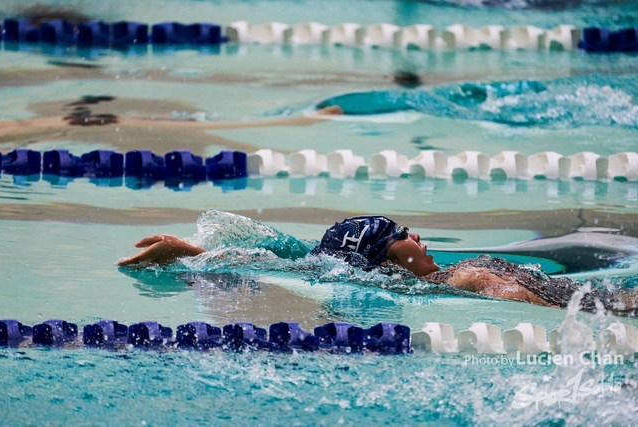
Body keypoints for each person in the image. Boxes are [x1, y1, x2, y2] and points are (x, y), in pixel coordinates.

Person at [118, 215, 638, 316]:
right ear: (383, 255)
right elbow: (530, 306)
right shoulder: (458, 278)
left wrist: (193, 252)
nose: (417, 237)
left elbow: (288, 264)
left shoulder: (442, 280)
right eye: (403, 237)